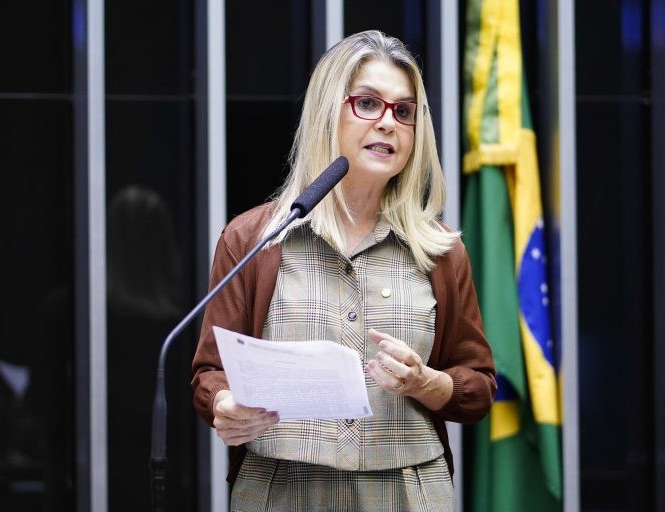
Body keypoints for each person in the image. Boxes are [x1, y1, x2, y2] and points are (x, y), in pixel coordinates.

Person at [192, 30, 496, 511]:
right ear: (326, 112)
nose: (388, 123)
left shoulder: (441, 251)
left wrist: (426, 383)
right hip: (281, 489)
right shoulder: (254, 238)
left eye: (403, 111)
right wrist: (225, 407)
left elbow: (477, 388)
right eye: (368, 104)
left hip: (407, 493)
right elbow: (210, 373)